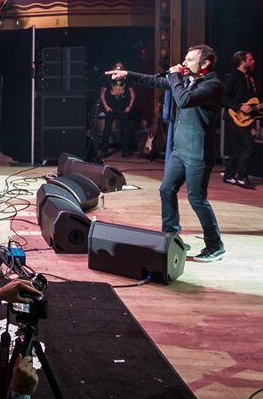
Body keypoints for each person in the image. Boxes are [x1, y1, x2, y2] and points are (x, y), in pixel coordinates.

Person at [106, 44, 225, 262]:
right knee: (166, 189)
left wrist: (175, 76)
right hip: (180, 150)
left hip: (198, 152)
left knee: (197, 199)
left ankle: (215, 245)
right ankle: (171, 236)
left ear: (205, 63)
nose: (184, 63)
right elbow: (156, 81)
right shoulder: (187, 80)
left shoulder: (212, 85)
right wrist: (128, 75)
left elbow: (185, 101)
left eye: (190, 60)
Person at [222, 51, 258, 189]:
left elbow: (251, 101)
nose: (253, 61)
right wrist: (239, 107)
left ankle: (229, 175)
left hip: (245, 119)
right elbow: (223, 97)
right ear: (242, 61)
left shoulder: (249, 78)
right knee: (248, 145)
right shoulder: (231, 77)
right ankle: (242, 177)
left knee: (237, 147)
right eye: (250, 59)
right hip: (233, 117)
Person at [100, 62, 135, 158]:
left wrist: (129, 106)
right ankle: (104, 151)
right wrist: (106, 106)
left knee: (125, 131)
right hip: (111, 109)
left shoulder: (127, 80)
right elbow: (102, 94)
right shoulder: (108, 80)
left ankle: (125, 152)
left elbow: (132, 94)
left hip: (123, 109)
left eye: (120, 68)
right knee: (107, 130)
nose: (119, 70)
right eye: (117, 68)